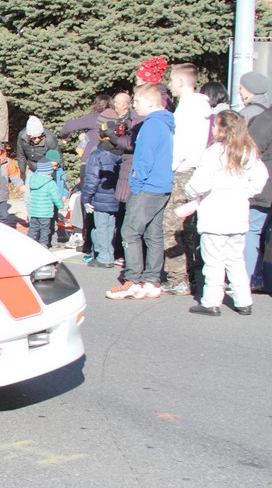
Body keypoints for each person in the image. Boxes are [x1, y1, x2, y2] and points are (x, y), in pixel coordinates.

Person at [184, 110, 268, 316]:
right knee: (235, 260)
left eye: (215, 125)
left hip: (214, 214)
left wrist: (189, 193)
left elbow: (199, 183)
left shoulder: (215, 153)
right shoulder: (247, 152)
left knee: (213, 261)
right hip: (238, 214)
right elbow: (261, 178)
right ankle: (243, 300)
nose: (212, 129)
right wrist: (245, 193)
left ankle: (211, 301)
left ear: (222, 129)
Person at [106, 83, 174, 300]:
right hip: (162, 186)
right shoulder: (165, 124)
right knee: (154, 234)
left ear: (150, 102)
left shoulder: (151, 125)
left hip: (147, 187)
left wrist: (136, 184)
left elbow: (144, 159)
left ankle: (133, 280)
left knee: (130, 232)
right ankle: (151, 281)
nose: (134, 105)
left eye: (137, 101)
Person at [160, 62, 211, 296]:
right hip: (196, 170)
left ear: (181, 82)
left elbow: (180, 144)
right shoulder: (203, 107)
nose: (170, 84)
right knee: (188, 228)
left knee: (172, 226)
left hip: (182, 171)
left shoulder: (187, 108)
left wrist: (169, 168)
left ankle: (177, 278)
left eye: (172, 80)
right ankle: (192, 275)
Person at [81, 122, 124, 268]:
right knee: (110, 227)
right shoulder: (121, 154)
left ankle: (103, 257)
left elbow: (91, 179)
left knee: (100, 228)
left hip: (100, 198)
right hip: (116, 197)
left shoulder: (97, 155)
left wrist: (86, 198)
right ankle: (110, 254)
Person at [245, 105, 272, 289]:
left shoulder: (266, 120)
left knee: (251, 230)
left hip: (264, 187)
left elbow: (249, 151)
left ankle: (249, 279)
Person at [26, 159, 64, 247]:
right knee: (44, 229)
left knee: (33, 228)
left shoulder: (33, 180)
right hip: (45, 212)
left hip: (34, 211)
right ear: (50, 171)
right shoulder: (51, 183)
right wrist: (60, 205)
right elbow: (56, 197)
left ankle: (30, 243)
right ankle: (43, 244)